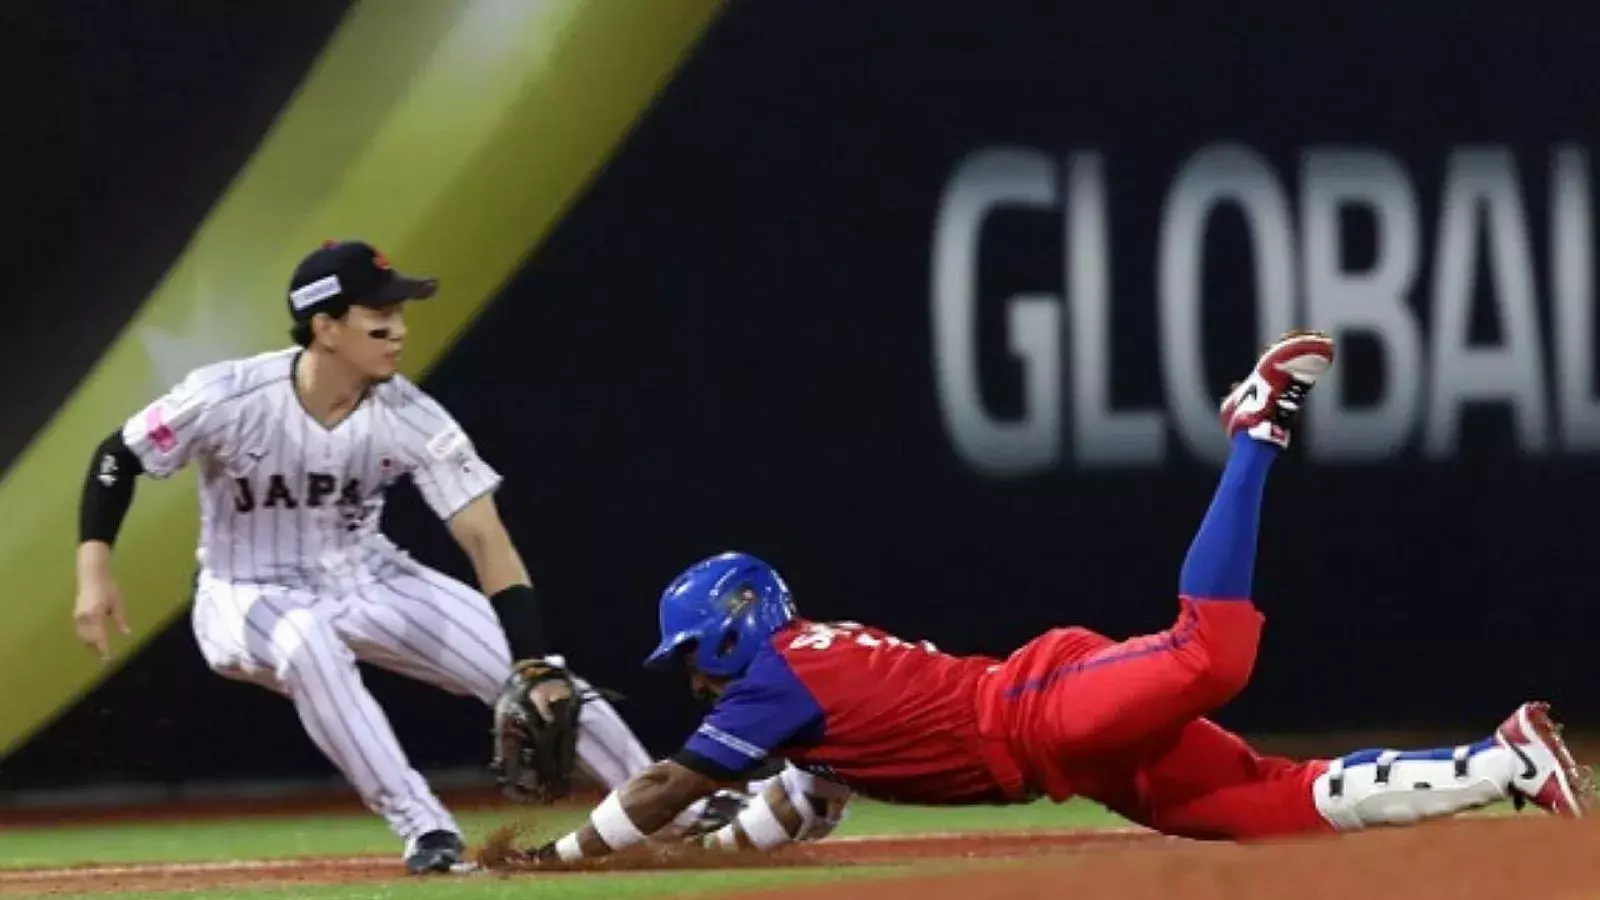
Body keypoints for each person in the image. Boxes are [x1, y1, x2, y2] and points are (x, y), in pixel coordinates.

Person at [515, 330, 1595, 865]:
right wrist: (706, 851)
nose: (697, 675)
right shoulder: (794, 693)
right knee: (1278, 808)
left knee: (1213, 657)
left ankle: (1254, 427)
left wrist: (560, 860)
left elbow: (659, 781)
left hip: (1039, 710)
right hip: (1068, 758)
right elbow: (798, 808)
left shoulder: (778, 678)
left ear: (742, 623)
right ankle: (1508, 762)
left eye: (701, 651)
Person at [70, 239, 735, 875]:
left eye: (398, 314)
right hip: (243, 591)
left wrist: (532, 655)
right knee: (308, 644)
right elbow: (116, 457)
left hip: (368, 575)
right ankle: (425, 828)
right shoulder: (230, 395)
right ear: (326, 326)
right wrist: (94, 571)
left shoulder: (411, 414)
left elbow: (485, 535)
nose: (397, 330)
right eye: (378, 315)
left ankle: (681, 810)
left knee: (537, 675)